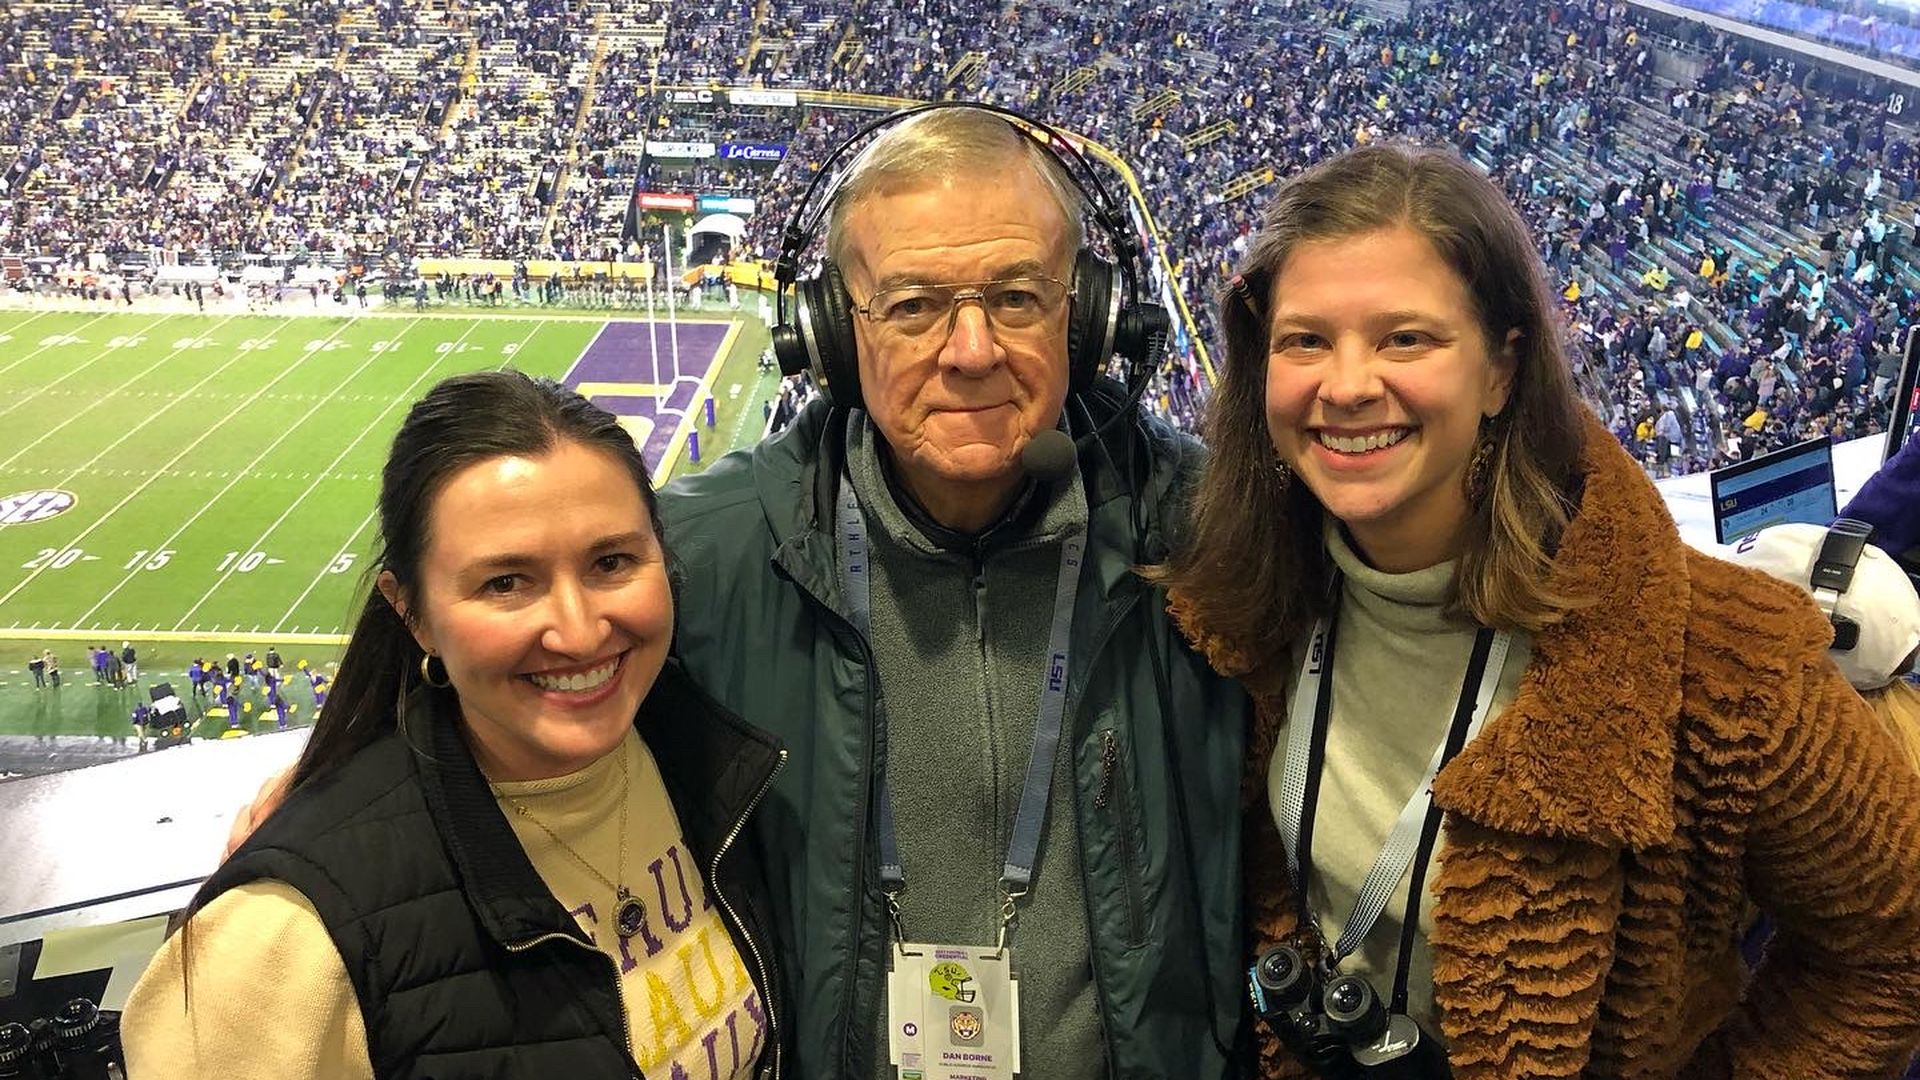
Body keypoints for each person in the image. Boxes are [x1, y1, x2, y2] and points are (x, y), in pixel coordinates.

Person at [1153, 144, 1920, 1076]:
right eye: (1305, 339)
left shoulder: (1725, 658)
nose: (1347, 385)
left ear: (1502, 371)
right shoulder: (1242, 604)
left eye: (1406, 338)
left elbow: (1892, 944)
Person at [659, 106, 1247, 1078]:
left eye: (1018, 298)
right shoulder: (697, 561)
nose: (971, 349)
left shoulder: (1212, 535)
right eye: (914, 305)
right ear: (831, 335)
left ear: (1090, 316)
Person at [124, 371, 789, 1080]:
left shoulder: (697, 747)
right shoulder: (280, 939)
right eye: (506, 582)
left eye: (612, 561)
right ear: (410, 612)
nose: (577, 629)